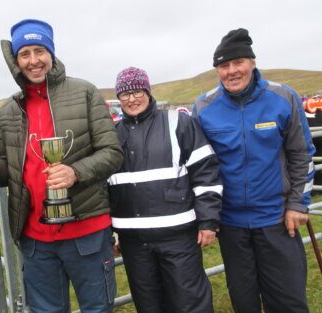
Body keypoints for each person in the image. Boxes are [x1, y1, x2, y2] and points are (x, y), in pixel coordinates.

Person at [0, 19, 123, 313]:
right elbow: (4, 166)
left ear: (51, 53)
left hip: (86, 231)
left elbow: (112, 152)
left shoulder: (84, 92)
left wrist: (75, 172)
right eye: (25, 53)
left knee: (97, 308)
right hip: (35, 239)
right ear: (16, 59)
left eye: (40, 51)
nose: (33, 61)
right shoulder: (11, 108)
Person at [193, 28, 315, 313]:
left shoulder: (283, 97)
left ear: (253, 62)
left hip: (277, 219)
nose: (232, 71)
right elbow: (200, 167)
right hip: (232, 224)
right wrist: (208, 215)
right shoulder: (204, 107)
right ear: (217, 70)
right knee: (244, 302)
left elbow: (303, 154)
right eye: (224, 66)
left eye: (238, 63)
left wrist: (297, 204)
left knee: (288, 302)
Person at [108, 67, 223, 313]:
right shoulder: (112, 135)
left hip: (178, 238)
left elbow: (206, 172)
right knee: (149, 306)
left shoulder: (178, 122)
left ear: (148, 92)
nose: (131, 99)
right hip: (133, 243)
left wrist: (208, 221)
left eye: (137, 91)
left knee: (189, 303)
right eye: (124, 94)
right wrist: (109, 233)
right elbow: (104, 188)